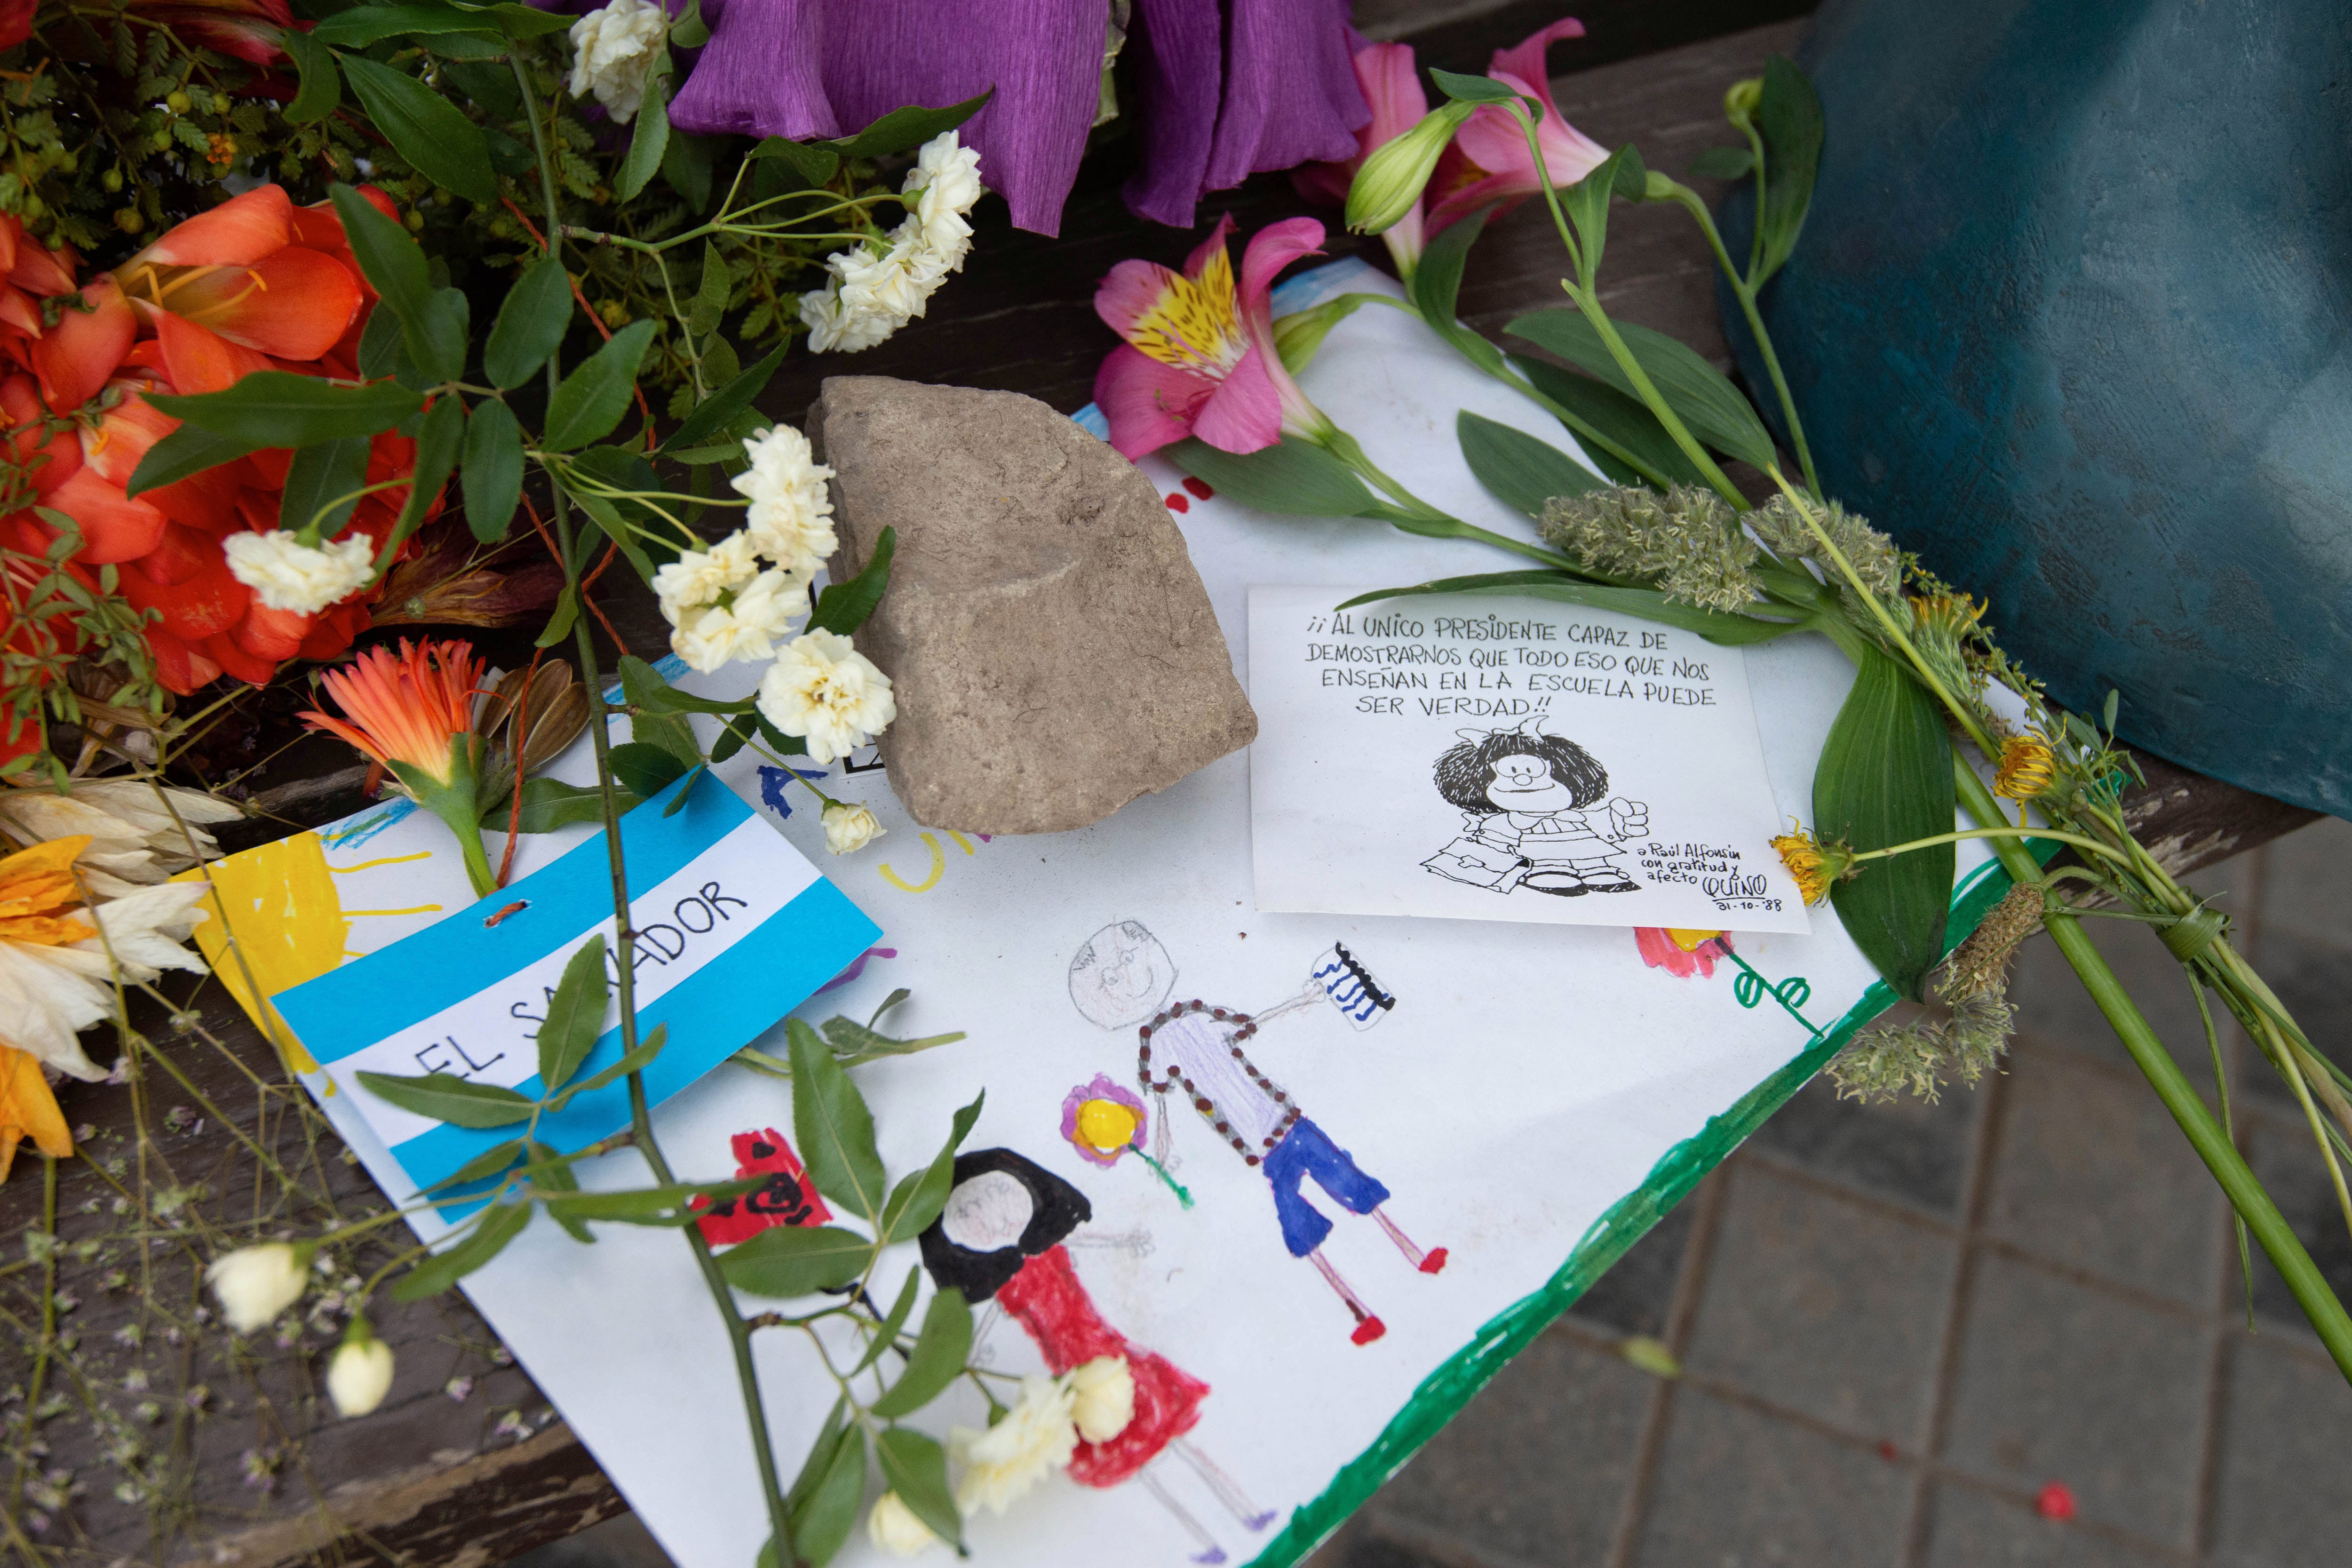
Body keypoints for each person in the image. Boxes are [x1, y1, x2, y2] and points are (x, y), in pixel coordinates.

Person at [1068, 923, 1445, 1347]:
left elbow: (1252, 1023)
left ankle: (1414, 1251)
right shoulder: (1155, 1047)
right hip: (1261, 1147)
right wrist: (1163, 1149)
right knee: (1294, 1217)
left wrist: (1302, 1001)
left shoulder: (1196, 1016)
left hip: (1287, 1121)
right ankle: (1355, 1308)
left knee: (1345, 1177)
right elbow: (1161, 1104)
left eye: (1129, 958)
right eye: (1111, 979)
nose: (1127, 975)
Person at [921, 1149, 1274, 1564]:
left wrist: (1126, 1239)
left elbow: (1086, 1240)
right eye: (974, 1215)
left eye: (996, 1198)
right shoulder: (1003, 1283)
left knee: (1172, 1434)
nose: (992, 1219)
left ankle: (1242, 1509)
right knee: (1139, 1463)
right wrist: (972, 1350)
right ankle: (1204, 1540)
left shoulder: (1044, 1246)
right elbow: (987, 1321)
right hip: (1074, 1378)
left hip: (1108, 1357)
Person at [1423, 721, 1650, 897]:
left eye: (1534, 771)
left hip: (1580, 842)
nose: (1523, 781)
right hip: (1538, 854)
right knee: (1549, 861)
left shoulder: (1570, 816)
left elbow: (1596, 823)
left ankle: (1596, 871)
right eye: (1510, 773)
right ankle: (1549, 873)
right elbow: (1494, 840)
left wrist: (1620, 819)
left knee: (1591, 855)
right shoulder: (1511, 820)